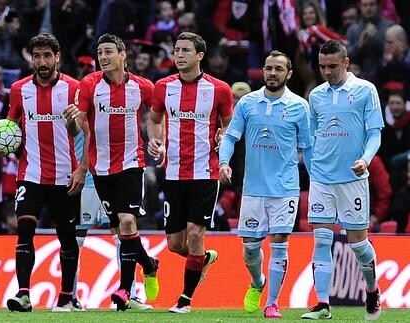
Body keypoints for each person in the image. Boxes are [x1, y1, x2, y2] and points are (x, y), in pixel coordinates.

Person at [0, 33, 84, 312]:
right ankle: (24, 294)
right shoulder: (19, 89)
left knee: (66, 235)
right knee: (25, 228)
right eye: (37, 56)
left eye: (47, 56)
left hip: (65, 173)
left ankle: (66, 296)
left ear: (57, 57)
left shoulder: (73, 88)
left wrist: (81, 164)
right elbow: (10, 125)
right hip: (30, 172)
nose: (41, 61)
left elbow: (81, 131)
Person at [63, 33, 159, 311]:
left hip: (131, 163)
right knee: (121, 230)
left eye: (108, 52)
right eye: (99, 53)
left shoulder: (143, 87)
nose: (103, 58)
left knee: (128, 223)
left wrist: (156, 138)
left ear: (122, 54)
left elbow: (155, 117)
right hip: (100, 168)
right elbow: (79, 128)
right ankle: (150, 264)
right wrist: (71, 125)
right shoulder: (90, 84)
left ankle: (124, 292)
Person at [218, 50, 312, 318]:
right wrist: (224, 162)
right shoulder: (248, 103)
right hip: (254, 188)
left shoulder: (299, 106)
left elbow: (308, 147)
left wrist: (318, 180)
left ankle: (272, 302)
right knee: (250, 248)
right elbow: (230, 137)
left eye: (278, 69)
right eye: (269, 68)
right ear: (263, 71)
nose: (272, 73)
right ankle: (258, 282)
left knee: (280, 240)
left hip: (285, 187)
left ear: (289, 74)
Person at [147, 32, 233, 314]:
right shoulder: (163, 87)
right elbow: (155, 119)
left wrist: (223, 137)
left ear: (199, 56)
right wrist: (155, 139)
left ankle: (184, 300)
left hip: (204, 172)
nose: (179, 54)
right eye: (176, 49)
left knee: (196, 234)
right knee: (175, 244)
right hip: (172, 172)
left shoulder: (219, 89)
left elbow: (229, 124)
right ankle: (203, 258)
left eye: (185, 50)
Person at [301, 40, 384, 320]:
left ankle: (371, 289)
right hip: (322, 178)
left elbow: (375, 133)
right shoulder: (316, 96)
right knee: (321, 240)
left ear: (345, 63)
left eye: (333, 66)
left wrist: (366, 159)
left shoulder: (365, 90)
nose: (327, 72)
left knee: (358, 245)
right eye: (323, 67)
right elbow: (311, 137)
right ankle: (323, 305)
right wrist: (313, 169)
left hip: (352, 177)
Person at [71, 131, 153, 311]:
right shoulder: (75, 105)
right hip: (83, 179)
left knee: (124, 231)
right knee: (76, 237)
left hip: (115, 176)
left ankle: (129, 294)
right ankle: (71, 296)